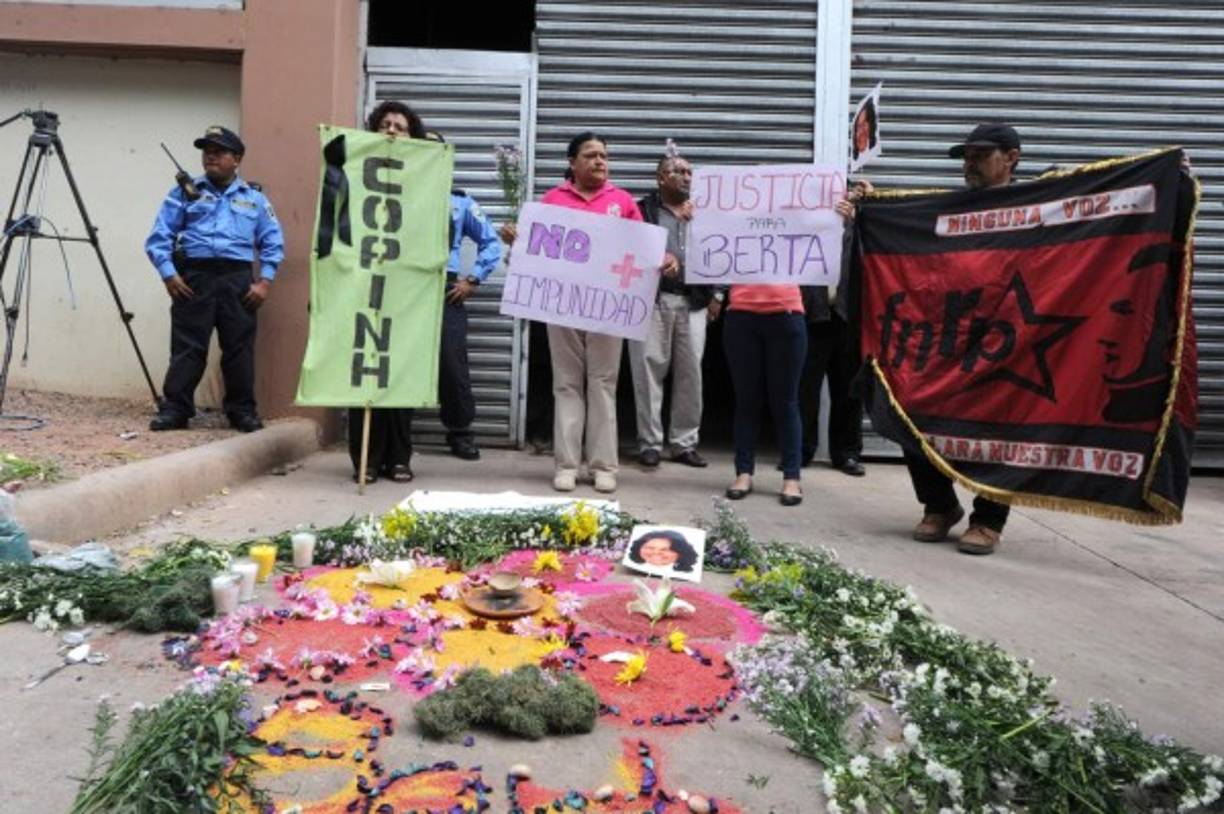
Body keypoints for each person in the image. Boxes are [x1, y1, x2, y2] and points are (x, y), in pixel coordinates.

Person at [905, 122, 1020, 555]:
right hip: (949, 336)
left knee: (1003, 430)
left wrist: (1168, 180)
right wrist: (866, 209)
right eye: (966, 156)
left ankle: (989, 519)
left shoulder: (1040, 204)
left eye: (981, 155)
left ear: (1011, 158)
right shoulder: (948, 209)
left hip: (1010, 338)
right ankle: (939, 504)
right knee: (909, 412)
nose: (970, 164)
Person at [145, 125, 284, 434]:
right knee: (187, 347)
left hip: (238, 280)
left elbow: (273, 242)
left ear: (237, 159)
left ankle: (242, 412)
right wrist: (169, 274)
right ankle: (176, 409)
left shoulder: (254, 199)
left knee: (239, 350)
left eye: (219, 152)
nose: (210, 156)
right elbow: (159, 237)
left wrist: (264, 282)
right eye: (207, 151)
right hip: (195, 278)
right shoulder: (184, 192)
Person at [536, 132, 644, 494]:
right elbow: (538, 249)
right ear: (572, 162)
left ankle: (602, 467)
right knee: (566, 384)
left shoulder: (622, 201)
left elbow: (641, 248)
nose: (600, 161)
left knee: (602, 384)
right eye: (591, 155)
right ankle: (566, 465)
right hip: (563, 303)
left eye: (604, 156)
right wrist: (517, 240)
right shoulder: (553, 199)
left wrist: (663, 258)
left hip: (608, 307)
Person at [629, 148, 719, 470]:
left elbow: (723, 251)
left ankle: (684, 443)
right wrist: (657, 258)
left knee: (691, 374)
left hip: (693, 302)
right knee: (648, 371)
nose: (685, 177)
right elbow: (626, 248)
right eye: (677, 171)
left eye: (689, 172)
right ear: (660, 178)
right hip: (652, 300)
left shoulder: (706, 213)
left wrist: (717, 294)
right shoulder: (642, 210)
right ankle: (650, 443)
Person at [797, 181, 871, 477]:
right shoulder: (806, 224)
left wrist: (857, 219)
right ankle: (800, 449)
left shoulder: (861, 225)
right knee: (804, 388)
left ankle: (847, 453)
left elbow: (874, 259)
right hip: (811, 314)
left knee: (849, 389)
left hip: (848, 316)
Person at [722, 280, 808, 507]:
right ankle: (743, 473)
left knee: (786, 402)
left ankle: (791, 477)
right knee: (746, 401)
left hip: (786, 311)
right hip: (741, 313)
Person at [626, 529, 699, 573]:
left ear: (681, 552)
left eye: (665, 549)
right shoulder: (630, 569)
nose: (656, 552)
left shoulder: (683, 575)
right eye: (650, 548)